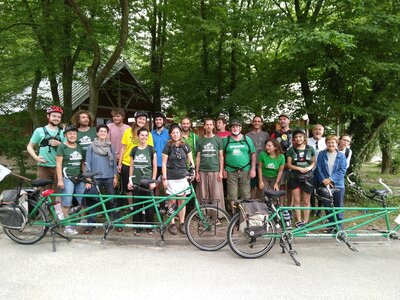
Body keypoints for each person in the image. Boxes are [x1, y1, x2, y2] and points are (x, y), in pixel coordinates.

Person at [84, 124, 118, 234]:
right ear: (97, 133)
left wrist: (115, 176)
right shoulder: (91, 147)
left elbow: (114, 163)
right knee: (93, 201)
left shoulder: (110, 146)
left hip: (109, 176)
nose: (103, 133)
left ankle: (115, 222)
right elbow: (87, 163)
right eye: (101, 131)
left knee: (111, 200)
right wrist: (88, 178)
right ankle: (91, 224)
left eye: (105, 131)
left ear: (107, 133)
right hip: (95, 178)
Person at [162, 124, 195, 235]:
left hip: (183, 176)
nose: (175, 134)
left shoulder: (185, 146)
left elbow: (190, 160)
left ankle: (182, 222)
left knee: (182, 201)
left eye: (177, 132)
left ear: (180, 133)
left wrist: (193, 171)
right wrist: (164, 178)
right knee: (172, 201)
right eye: (173, 133)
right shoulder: (168, 146)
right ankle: (171, 223)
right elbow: (163, 163)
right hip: (171, 176)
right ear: (170, 134)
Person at [127, 127, 157, 235]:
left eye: (146, 135)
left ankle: (149, 227)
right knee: (137, 205)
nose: (144, 137)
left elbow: (154, 166)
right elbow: (131, 166)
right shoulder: (134, 150)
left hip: (148, 182)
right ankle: (137, 227)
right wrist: (130, 180)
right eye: (142, 135)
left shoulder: (151, 149)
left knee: (149, 205)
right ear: (138, 136)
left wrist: (153, 181)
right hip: (136, 181)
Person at [56, 125, 85, 235]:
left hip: (79, 177)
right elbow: (58, 164)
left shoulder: (79, 147)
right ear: (65, 135)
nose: (72, 135)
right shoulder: (62, 147)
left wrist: (85, 176)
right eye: (69, 134)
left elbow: (82, 163)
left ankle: (83, 220)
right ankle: (67, 225)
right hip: (67, 177)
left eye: (74, 133)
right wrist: (60, 180)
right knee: (67, 201)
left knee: (82, 200)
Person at [118, 111, 154, 201]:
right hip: (127, 163)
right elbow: (123, 148)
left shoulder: (148, 134)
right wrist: (119, 163)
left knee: (142, 187)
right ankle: (131, 207)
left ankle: (142, 208)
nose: (142, 121)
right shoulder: (128, 131)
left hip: (141, 164)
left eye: (144, 119)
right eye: (140, 119)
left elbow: (150, 150)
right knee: (129, 187)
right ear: (136, 119)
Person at [315, 135, 347, 231]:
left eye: (333, 142)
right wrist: (324, 180)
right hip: (324, 184)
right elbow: (318, 168)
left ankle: (339, 227)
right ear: (326, 143)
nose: (331, 144)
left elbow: (342, 170)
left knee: (338, 206)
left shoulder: (341, 156)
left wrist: (331, 179)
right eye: (329, 142)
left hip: (338, 185)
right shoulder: (321, 154)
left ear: (337, 143)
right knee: (327, 206)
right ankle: (331, 226)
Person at [26, 106, 64, 188]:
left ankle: (57, 201)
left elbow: (68, 148)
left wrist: (60, 144)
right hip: (44, 166)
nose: (56, 118)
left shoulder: (63, 132)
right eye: (54, 116)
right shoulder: (39, 131)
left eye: (59, 117)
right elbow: (29, 146)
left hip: (59, 166)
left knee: (59, 192)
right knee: (44, 191)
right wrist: (36, 157)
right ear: (48, 116)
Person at [223, 119, 256, 213]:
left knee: (245, 194)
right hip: (230, 170)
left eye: (237, 126)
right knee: (232, 196)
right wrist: (223, 169)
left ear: (240, 128)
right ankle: (234, 215)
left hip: (245, 170)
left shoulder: (247, 139)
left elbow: (253, 153)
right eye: (233, 127)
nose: (235, 128)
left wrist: (253, 169)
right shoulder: (226, 140)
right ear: (230, 129)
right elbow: (222, 155)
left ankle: (245, 215)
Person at [286, 129, 316, 227]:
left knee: (307, 201)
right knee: (297, 200)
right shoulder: (291, 150)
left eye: (300, 137)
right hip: (294, 177)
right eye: (296, 137)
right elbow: (289, 164)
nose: (298, 139)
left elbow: (313, 162)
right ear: (294, 139)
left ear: (304, 137)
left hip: (308, 177)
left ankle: (306, 221)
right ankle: (299, 221)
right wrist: (298, 168)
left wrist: (309, 168)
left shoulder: (310, 149)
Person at [195, 118, 225, 213]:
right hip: (202, 171)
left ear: (213, 126)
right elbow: (198, 157)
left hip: (215, 170)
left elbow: (221, 156)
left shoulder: (218, 140)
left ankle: (217, 216)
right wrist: (197, 172)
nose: (208, 126)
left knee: (216, 195)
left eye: (210, 124)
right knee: (203, 195)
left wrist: (221, 172)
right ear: (204, 126)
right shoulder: (200, 140)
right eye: (207, 124)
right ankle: (203, 215)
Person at [247, 116, 270, 198]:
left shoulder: (266, 135)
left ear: (261, 123)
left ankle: (261, 206)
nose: (257, 123)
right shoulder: (247, 136)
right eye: (255, 121)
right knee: (251, 187)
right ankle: (253, 206)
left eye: (259, 121)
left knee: (262, 186)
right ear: (252, 123)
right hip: (251, 164)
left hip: (263, 164)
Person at [307, 124, 327, 215]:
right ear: (312, 131)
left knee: (321, 190)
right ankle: (312, 208)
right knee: (310, 189)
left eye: (320, 129)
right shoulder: (307, 141)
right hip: (310, 169)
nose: (317, 131)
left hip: (322, 171)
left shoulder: (326, 141)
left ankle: (319, 209)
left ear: (323, 131)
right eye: (315, 129)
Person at [258, 139, 285, 203]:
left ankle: (274, 209)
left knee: (274, 194)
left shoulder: (281, 157)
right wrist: (260, 181)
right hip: (264, 176)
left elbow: (280, 171)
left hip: (275, 177)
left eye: (269, 146)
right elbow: (259, 168)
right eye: (266, 145)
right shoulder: (262, 154)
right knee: (263, 193)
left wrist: (276, 183)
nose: (267, 147)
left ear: (275, 147)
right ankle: (264, 210)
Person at [151, 111, 169, 192]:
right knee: (156, 185)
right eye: (156, 120)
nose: (158, 121)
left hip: (166, 163)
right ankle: (157, 204)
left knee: (166, 185)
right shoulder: (150, 134)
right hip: (155, 164)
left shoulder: (169, 133)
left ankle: (166, 204)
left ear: (164, 121)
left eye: (160, 119)